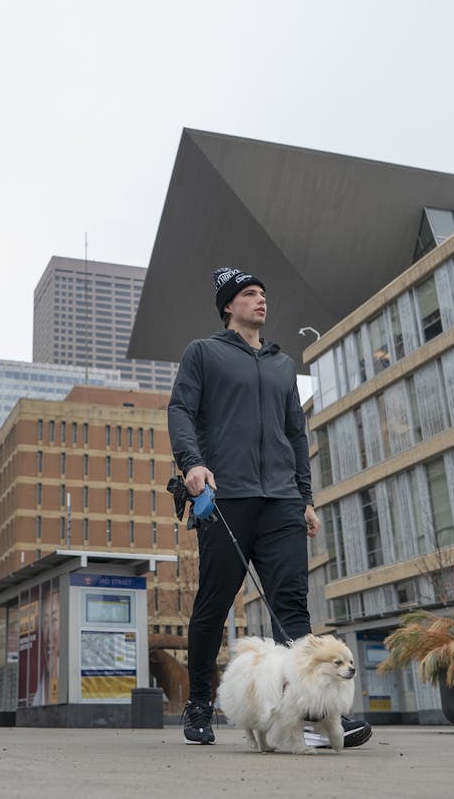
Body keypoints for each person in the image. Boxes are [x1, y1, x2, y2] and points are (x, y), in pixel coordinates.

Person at [168, 267, 372, 751]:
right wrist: (193, 464)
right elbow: (180, 411)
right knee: (214, 603)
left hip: (281, 498)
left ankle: (311, 715)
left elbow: (295, 433)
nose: (260, 300)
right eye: (248, 294)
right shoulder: (204, 353)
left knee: (292, 608)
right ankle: (199, 703)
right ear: (228, 306)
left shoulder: (283, 365)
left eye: (263, 293)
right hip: (225, 496)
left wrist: (304, 496)